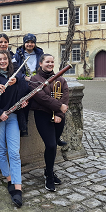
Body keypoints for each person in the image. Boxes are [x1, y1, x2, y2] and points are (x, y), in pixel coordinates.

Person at [0, 50, 28, 207]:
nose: (2, 61)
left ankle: (17, 188)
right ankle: (9, 179)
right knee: (1, 150)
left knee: (14, 153)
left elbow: (25, 92)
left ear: (9, 60)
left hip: (13, 117)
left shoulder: (17, 75)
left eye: (5, 59)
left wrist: (23, 101)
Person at [29, 54, 69, 192]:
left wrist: (59, 114)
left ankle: (48, 170)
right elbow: (42, 98)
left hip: (58, 117)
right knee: (51, 145)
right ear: (40, 63)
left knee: (53, 145)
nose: (50, 64)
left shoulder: (61, 79)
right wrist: (59, 107)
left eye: (52, 62)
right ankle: (50, 177)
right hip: (42, 115)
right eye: (47, 62)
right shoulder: (34, 80)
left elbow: (65, 96)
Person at [12, 33, 45, 139]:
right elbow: (16, 69)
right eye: (27, 42)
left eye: (32, 42)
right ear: (24, 43)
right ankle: (23, 125)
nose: (30, 44)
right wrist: (24, 77)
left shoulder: (40, 53)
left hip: (38, 81)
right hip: (25, 81)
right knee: (23, 98)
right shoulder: (18, 55)